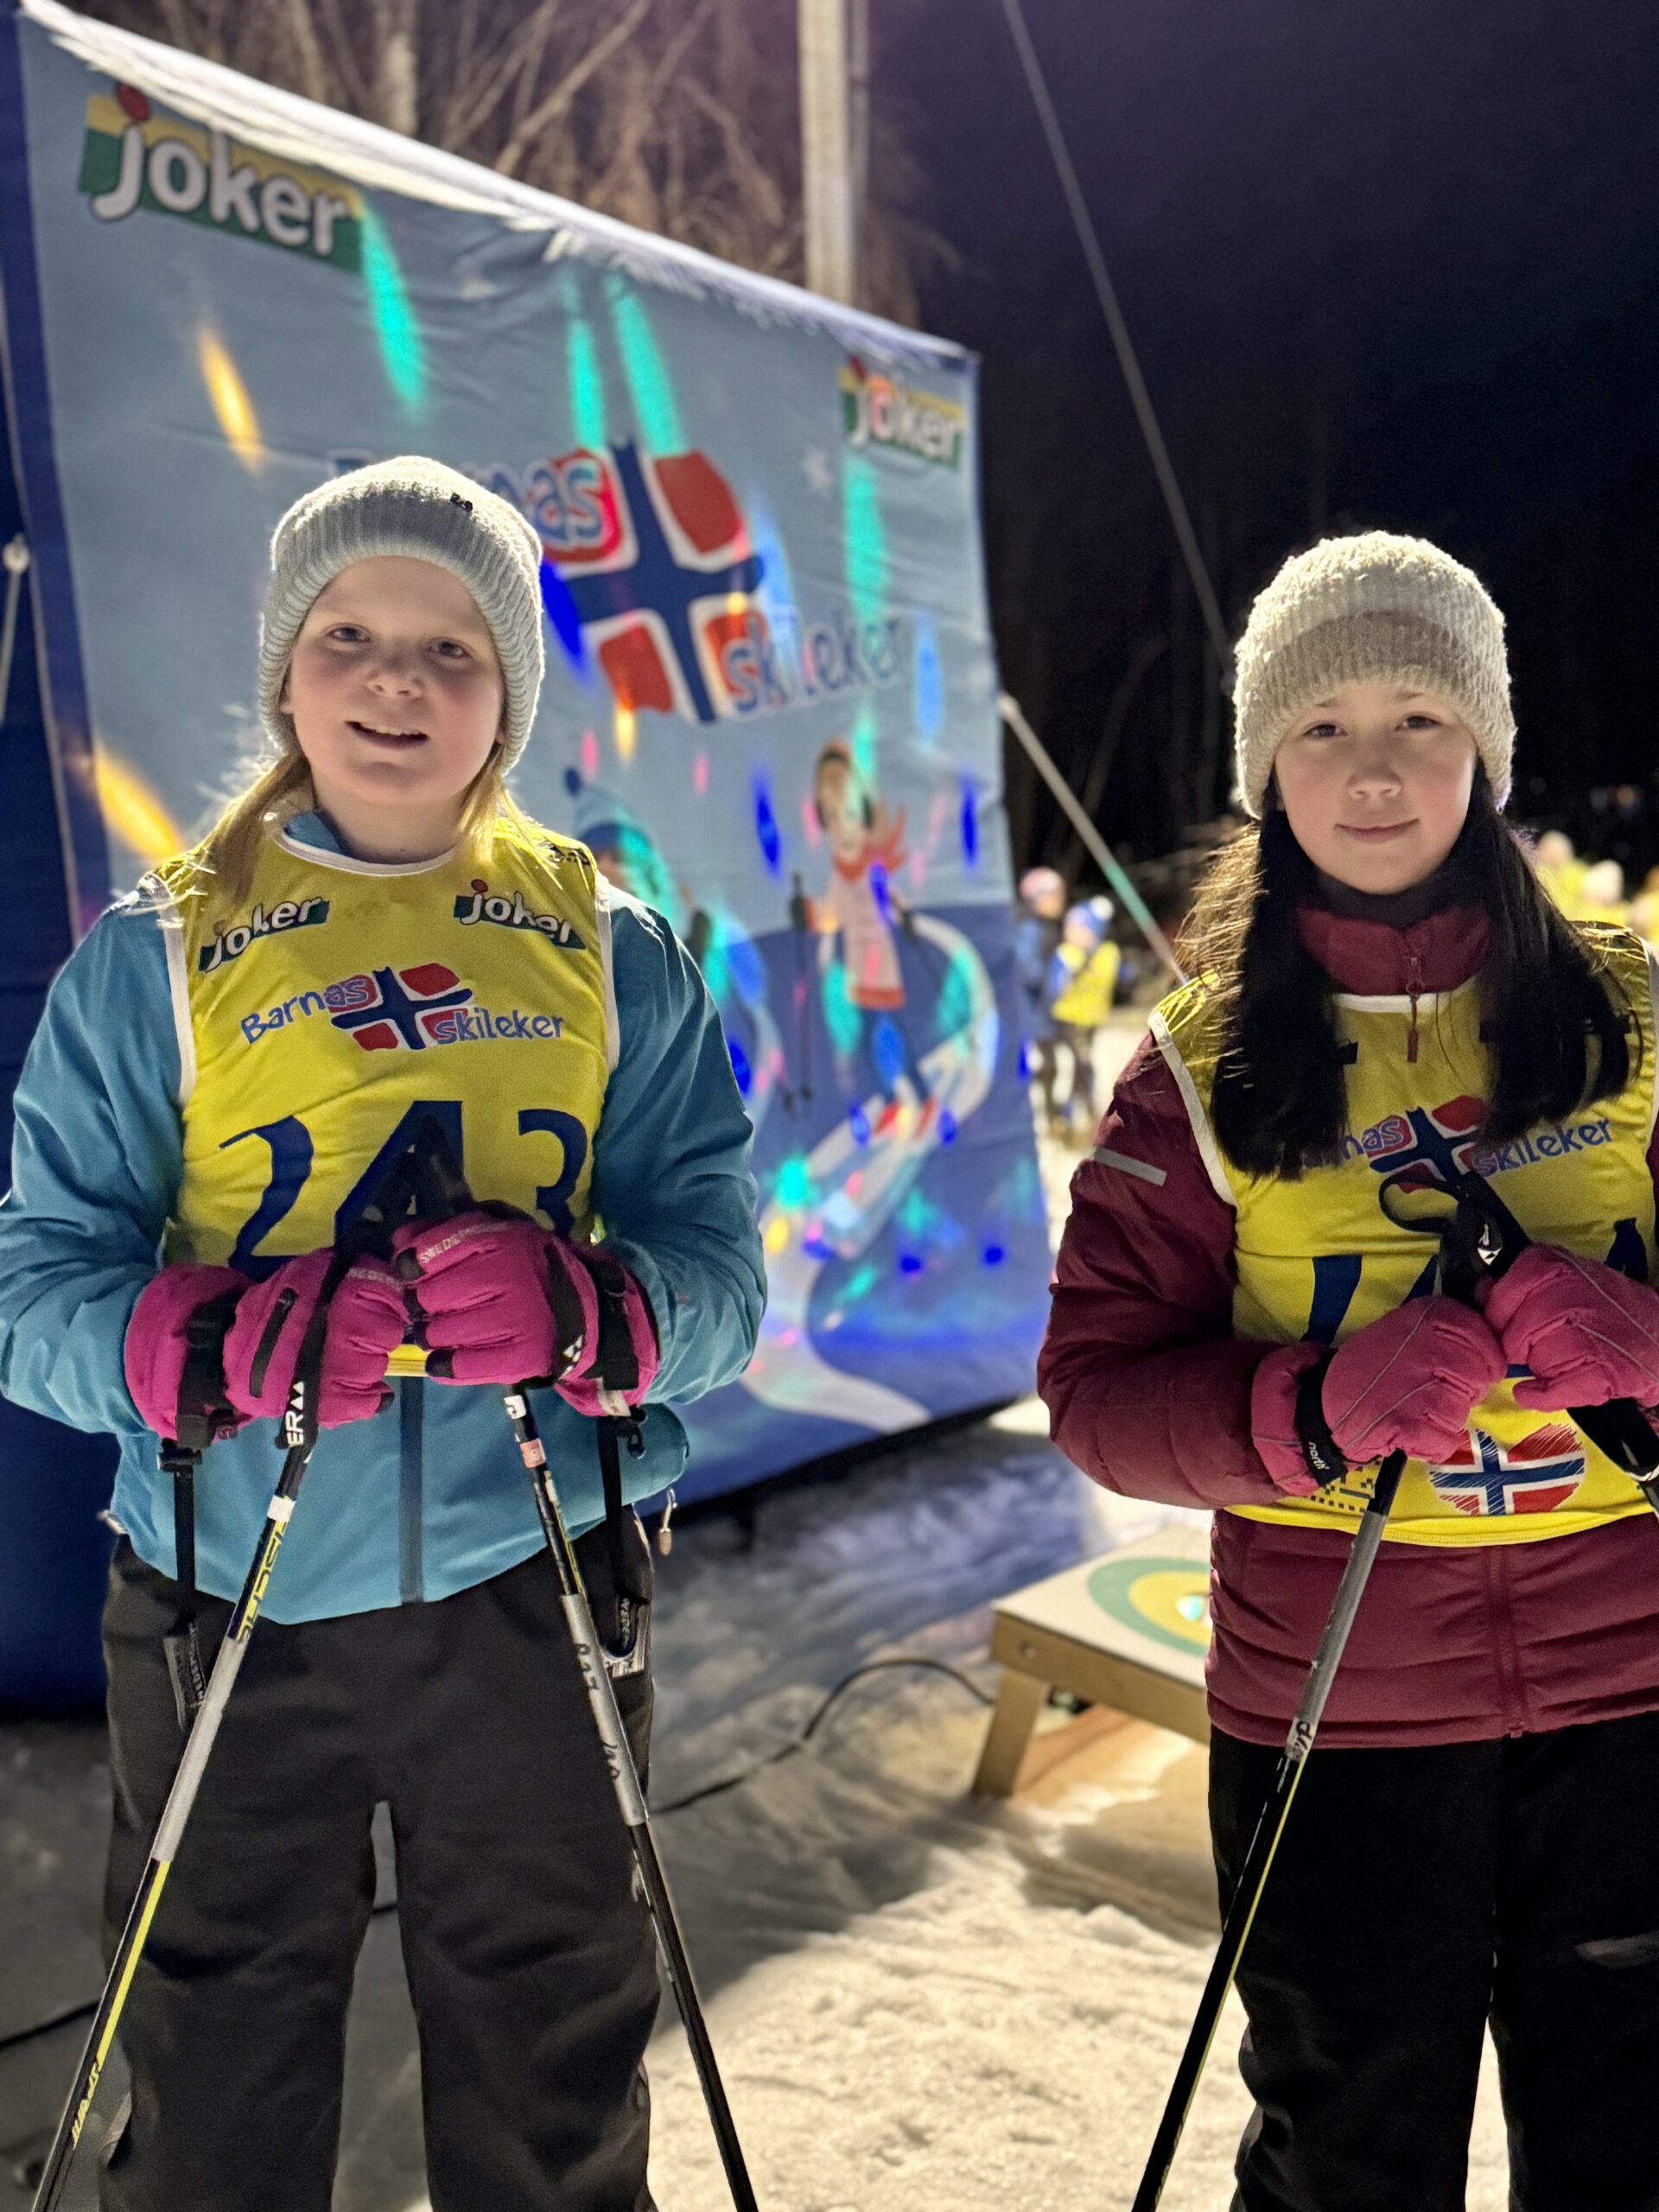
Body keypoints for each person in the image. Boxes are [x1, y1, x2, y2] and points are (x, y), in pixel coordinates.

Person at [0, 458, 765, 2212]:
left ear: (508, 692)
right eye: (348, 634)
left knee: (552, 2071)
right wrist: (213, 1345)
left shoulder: (609, 942)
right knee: (214, 2085)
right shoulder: (156, 951)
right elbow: (32, 1295)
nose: (397, 682)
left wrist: (594, 1309)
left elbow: (720, 1276)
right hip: (228, 1588)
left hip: (533, 1576)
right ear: (286, 666)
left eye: (451, 648)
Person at [1039, 531, 1659, 2212]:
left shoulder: (1635, 1011)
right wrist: (1311, 1410)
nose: (1373, 769)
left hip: (1632, 1697)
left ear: (1487, 750)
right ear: (1266, 768)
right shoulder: (1199, 1064)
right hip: (1342, 1710)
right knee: (1347, 2164)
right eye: (1322, 726)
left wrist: (1646, 1341)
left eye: (1418, 719)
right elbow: (1096, 1390)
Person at [1046, 894, 1121, 1137]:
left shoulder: (1107, 952)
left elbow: (1116, 976)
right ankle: (1072, 1114)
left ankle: (1081, 1112)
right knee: (1079, 1064)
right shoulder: (1066, 954)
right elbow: (1053, 988)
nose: (1069, 932)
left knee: (1083, 1065)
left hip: (1092, 1019)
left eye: (1077, 927)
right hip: (1070, 1018)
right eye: (1068, 927)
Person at [1015, 865, 1068, 1133]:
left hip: (1043, 1013)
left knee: (1052, 1065)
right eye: (1055, 896)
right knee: (1044, 1066)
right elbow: (1029, 971)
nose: (1060, 901)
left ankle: (1053, 1117)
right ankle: (1045, 1121)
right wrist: (1059, 971)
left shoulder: (1044, 927)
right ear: (1037, 898)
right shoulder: (1030, 929)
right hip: (1033, 1015)